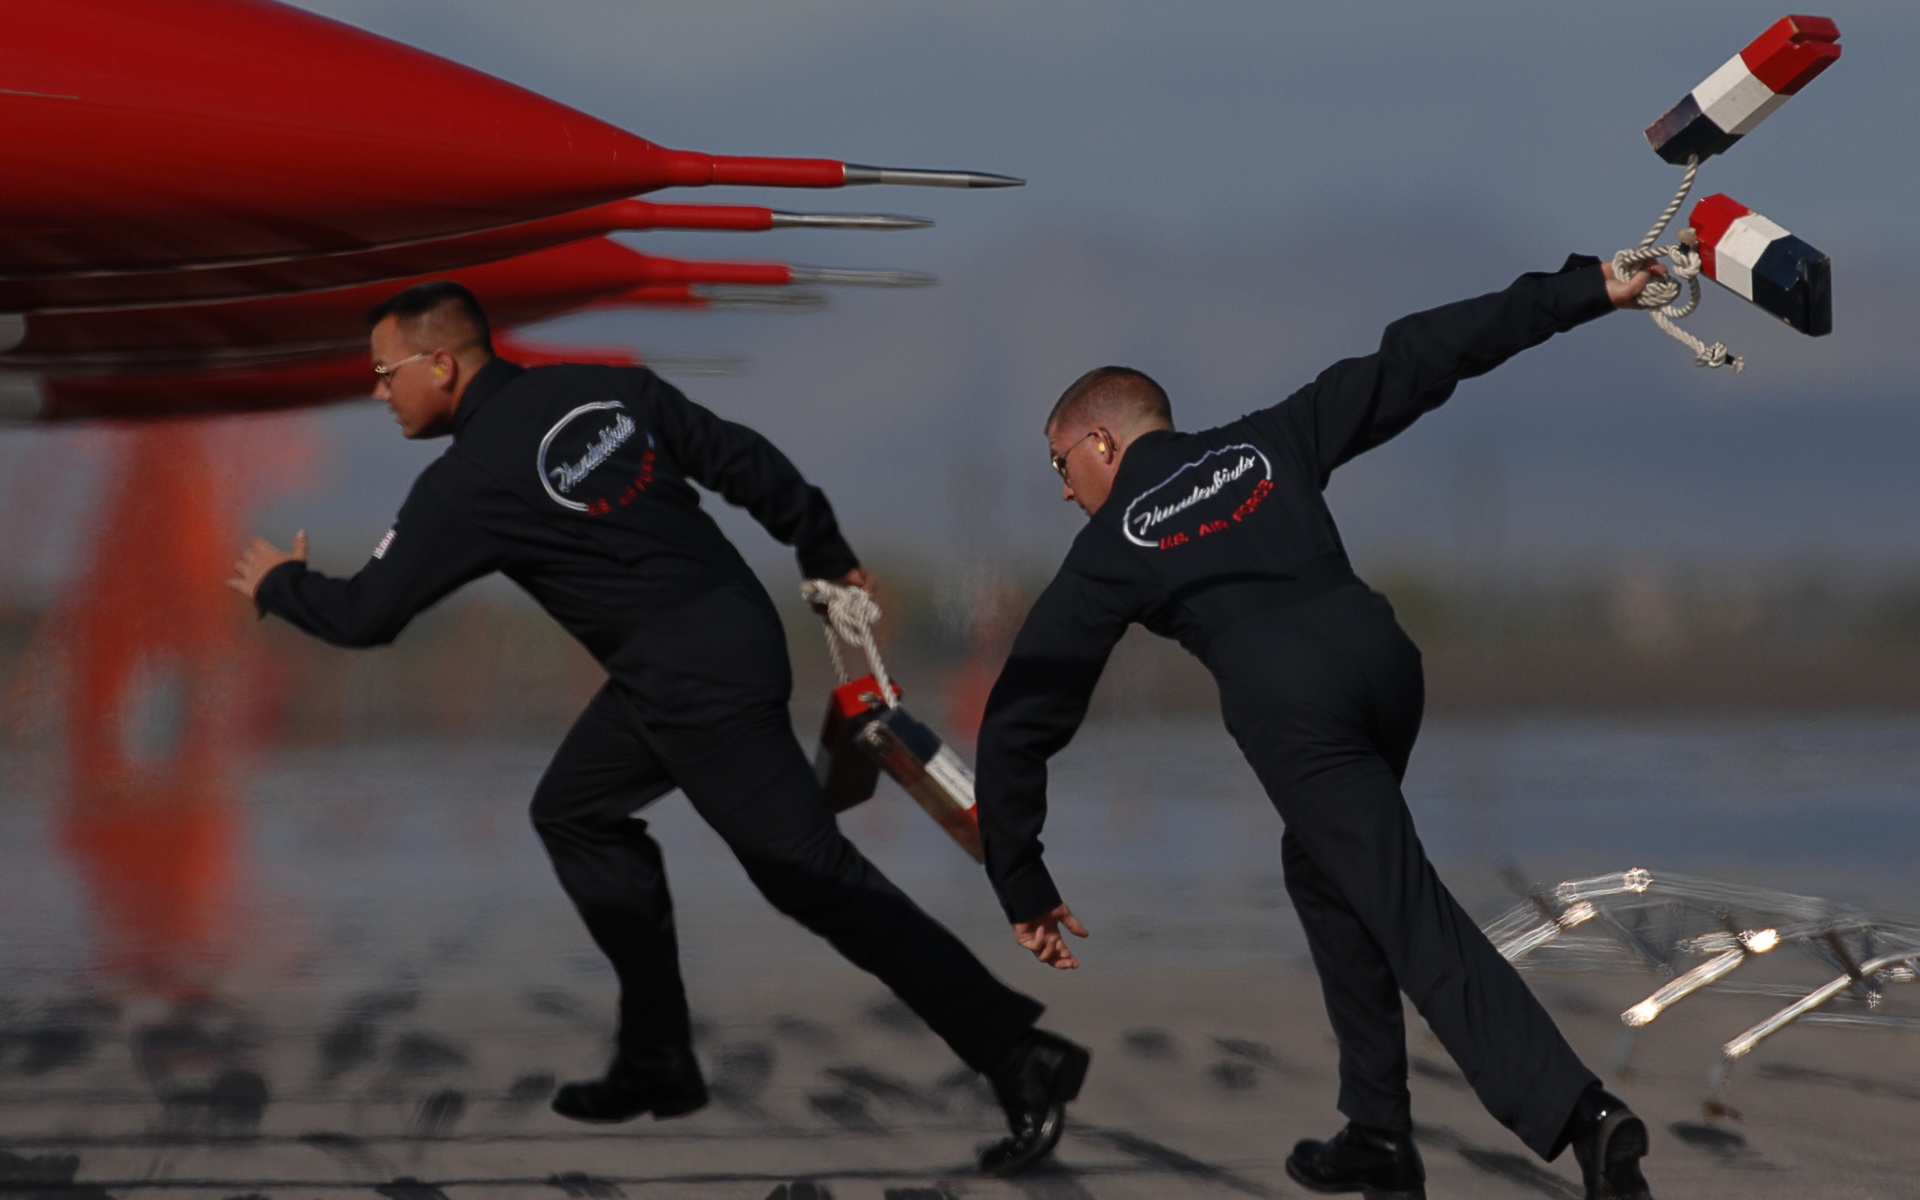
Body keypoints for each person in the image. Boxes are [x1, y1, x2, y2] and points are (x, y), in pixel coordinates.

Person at [227, 280, 1088, 1176]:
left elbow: (365, 614)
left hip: (693, 686)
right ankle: (656, 1057)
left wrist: (277, 586)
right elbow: (744, 461)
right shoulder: (606, 390)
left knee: (814, 880)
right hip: (719, 645)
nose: (378, 393)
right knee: (575, 809)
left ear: (439, 364)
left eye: (384, 372)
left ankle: (1018, 1054)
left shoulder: (465, 485)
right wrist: (821, 547)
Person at [974, 256, 1666, 1200]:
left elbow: (1021, 714)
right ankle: (1377, 1132)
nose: (1063, 491)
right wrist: (1586, 288)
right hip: (1382, 663)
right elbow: (1418, 356)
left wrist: (1020, 877)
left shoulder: (1111, 545)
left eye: (1061, 466)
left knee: (1402, 906)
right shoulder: (1268, 441)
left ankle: (1583, 1117)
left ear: (1100, 442)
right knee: (1326, 868)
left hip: (1294, 709)